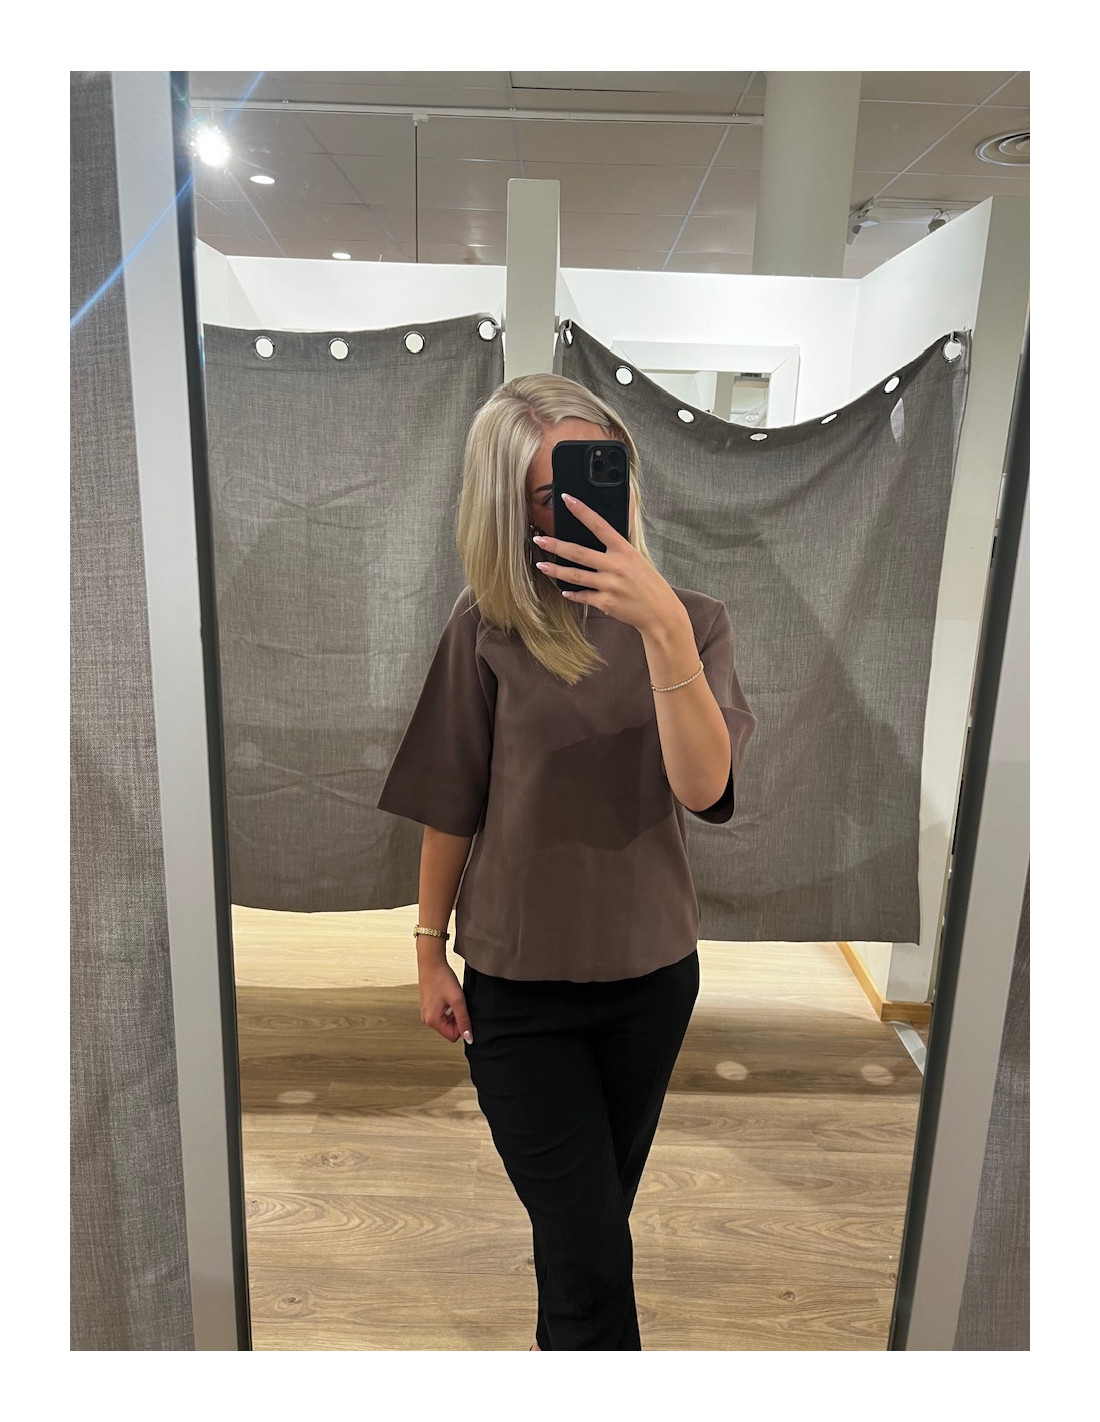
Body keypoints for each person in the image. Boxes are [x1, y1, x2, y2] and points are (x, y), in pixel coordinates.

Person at [377, 373, 756, 1350]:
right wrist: (426, 951)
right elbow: (450, 800)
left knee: (586, 1238)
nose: (590, 507)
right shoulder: (486, 627)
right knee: (589, 1244)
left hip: (650, 980)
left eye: (605, 475)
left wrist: (661, 626)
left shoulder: (696, 621)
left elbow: (703, 788)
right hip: (516, 989)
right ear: (514, 511)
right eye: (557, 495)